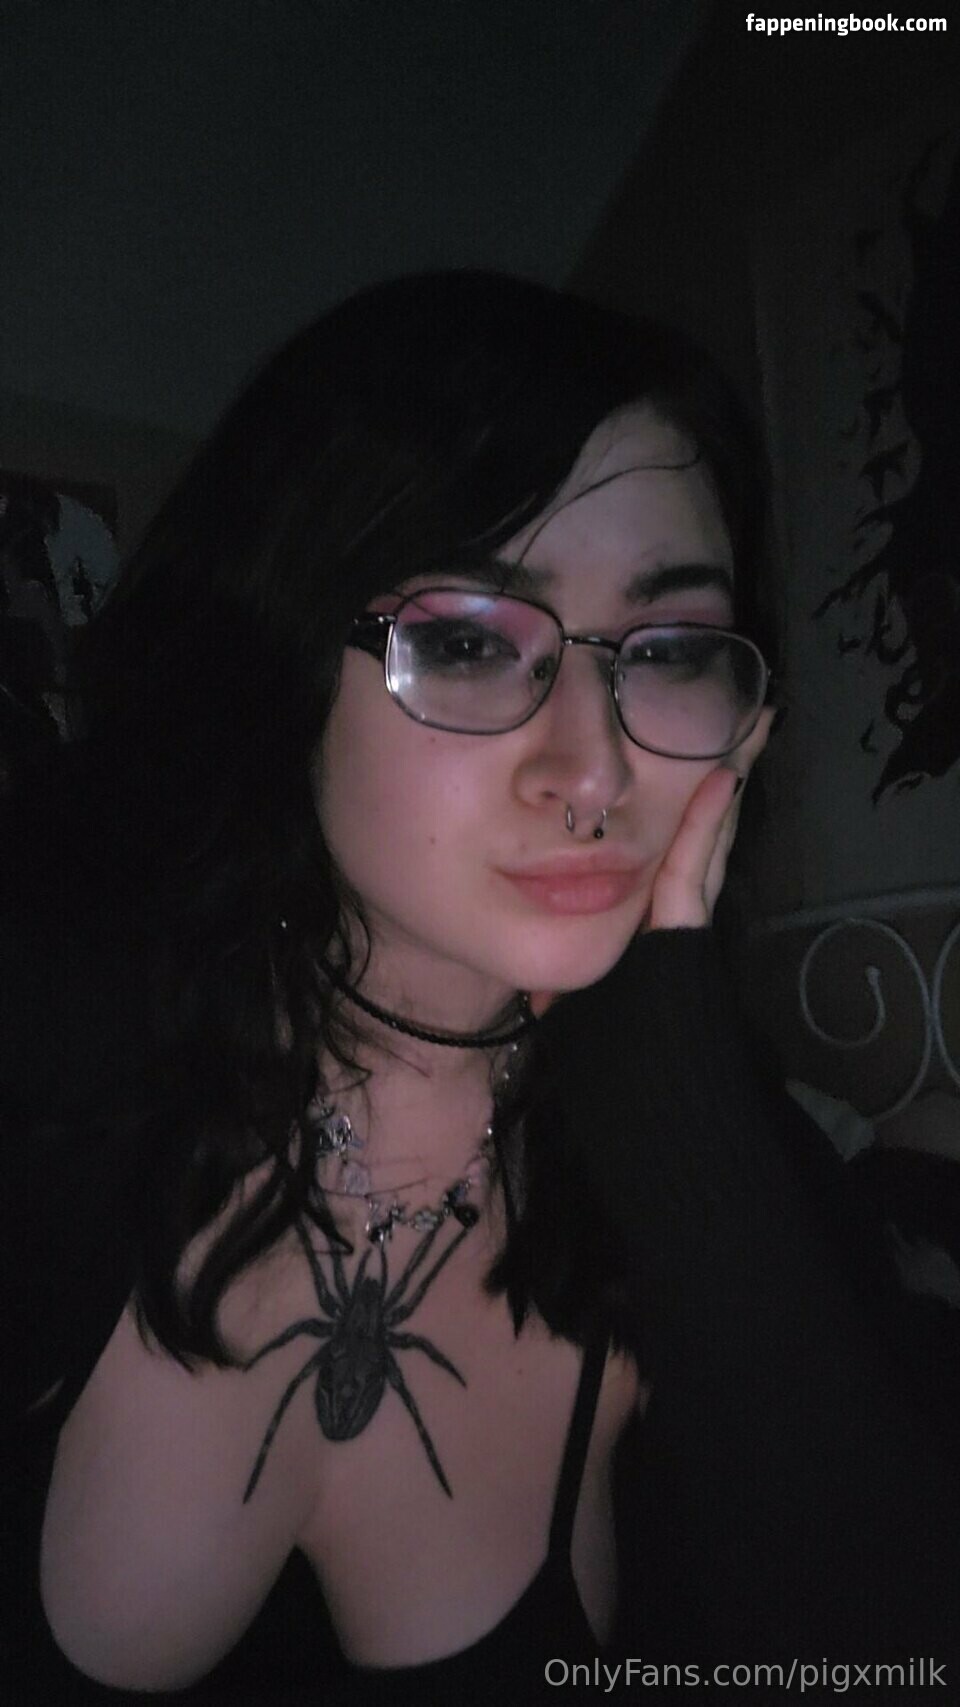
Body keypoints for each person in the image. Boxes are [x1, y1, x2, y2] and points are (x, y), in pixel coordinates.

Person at [1, 272, 958, 1706]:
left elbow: (882, 1648)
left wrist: (671, 1046)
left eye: (669, 651)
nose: (593, 768)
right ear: (282, 655)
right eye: (464, 639)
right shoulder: (53, 1047)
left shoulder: (687, 1137)